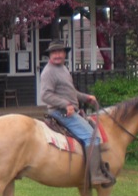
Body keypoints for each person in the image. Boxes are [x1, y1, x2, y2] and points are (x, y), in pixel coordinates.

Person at [40, 39, 115, 187]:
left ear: (64, 54)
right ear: (49, 55)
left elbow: (70, 92)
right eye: (54, 52)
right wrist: (65, 104)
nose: (57, 55)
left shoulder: (62, 69)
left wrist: (85, 97)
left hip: (70, 110)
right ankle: (95, 175)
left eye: (60, 52)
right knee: (91, 136)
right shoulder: (48, 72)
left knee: (94, 129)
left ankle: (95, 166)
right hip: (60, 113)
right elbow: (45, 95)